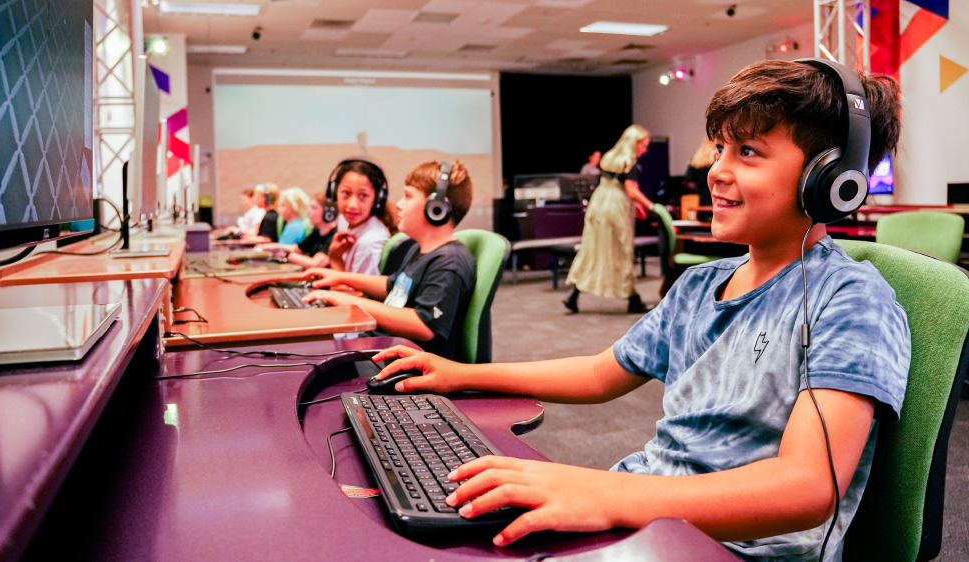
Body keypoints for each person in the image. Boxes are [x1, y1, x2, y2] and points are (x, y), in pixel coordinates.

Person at [368, 60, 909, 562]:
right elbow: (601, 372)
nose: (716, 171)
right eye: (718, 149)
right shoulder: (700, 285)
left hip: (734, 548)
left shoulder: (850, 299)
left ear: (831, 180)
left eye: (747, 152)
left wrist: (611, 494)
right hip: (648, 512)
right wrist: (461, 374)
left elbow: (809, 488)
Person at [300, 161, 476, 360]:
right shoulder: (421, 251)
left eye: (408, 196)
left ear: (436, 209)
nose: (398, 204)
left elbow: (424, 325)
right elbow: (391, 285)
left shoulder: (449, 261)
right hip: (382, 347)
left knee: (303, 355)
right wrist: (340, 276)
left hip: (402, 366)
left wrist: (350, 300)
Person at [564, 125, 655, 314]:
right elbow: (631, 190)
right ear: (634, 143)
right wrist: (651, 206)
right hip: (615, 209)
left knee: (591, 250)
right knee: (621, 251)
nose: (645, 150)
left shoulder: (609, 157)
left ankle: (573, 295)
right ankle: (633, 299)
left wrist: (636, 205)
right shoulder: (629, 162)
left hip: (598, 205)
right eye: (643, 146)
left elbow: (614, 184)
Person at [323, 159, 396, 275]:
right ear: (334, 192)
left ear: (376, 199)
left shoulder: (370, 243)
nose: (352, 205)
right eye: (346, 193)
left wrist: (335, 258)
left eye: (363, 195)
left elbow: (352, 293)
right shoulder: (343, 219)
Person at [285, 192, 337, 269]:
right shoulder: (317, 232)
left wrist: (286, 254)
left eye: (314, 208)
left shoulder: (334, 236)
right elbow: (297, 249)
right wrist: (272, 248)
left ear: (328, 213)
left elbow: (314, 263)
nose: (309, 211)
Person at [685, 137, 716, 204]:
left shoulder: (696, 158)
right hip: (714, 196)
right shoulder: (716, 158)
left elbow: (689, 181)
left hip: (699, 198)